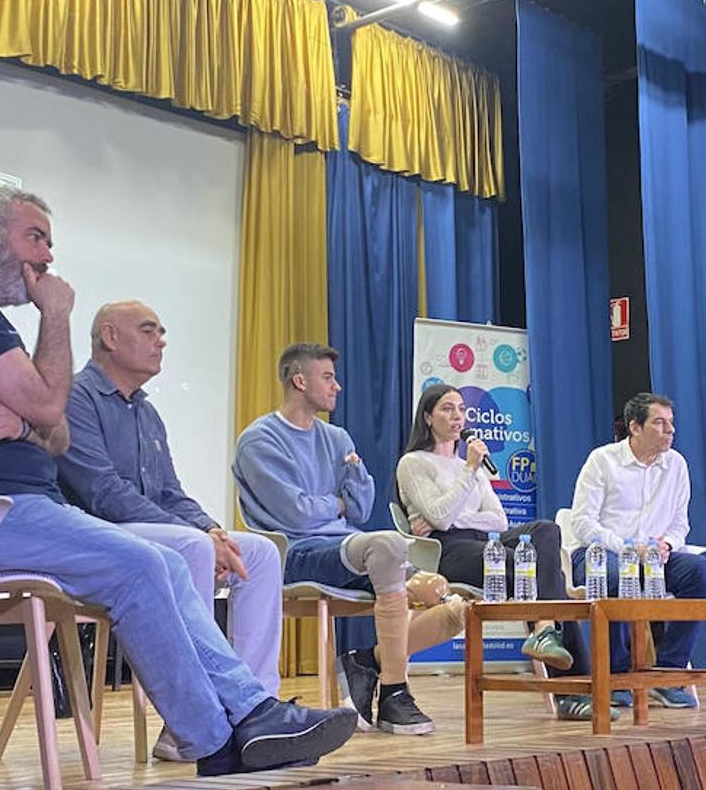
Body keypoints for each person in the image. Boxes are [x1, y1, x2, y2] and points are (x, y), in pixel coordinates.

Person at [0, 186, 355, 775]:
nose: (47, 258)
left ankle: (245, 717)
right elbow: (53, 408)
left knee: (164, 562)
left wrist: (23, 420)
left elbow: (53, 431)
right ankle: (220, 737)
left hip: (8, 509)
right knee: (146, 564)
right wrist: (56, 323)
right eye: (35, 238)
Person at [55, 300, 283, 761]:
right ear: (109, 337)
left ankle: (256, 710)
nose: (161, 340)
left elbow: (170, 492)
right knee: (190, 547)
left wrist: (214, 529)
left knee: (258, 552)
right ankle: (191, 721)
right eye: (148, 330)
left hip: (153, 531)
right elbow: (102, 493)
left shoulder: (146, 412)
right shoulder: (75, 398)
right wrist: (197, 536)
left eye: (161, 331)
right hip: (94, 538)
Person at [232, 344, 466, 736]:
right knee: (388, 544)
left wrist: (338, 503)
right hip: (295, 552)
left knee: (452, 603)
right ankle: (394, 690)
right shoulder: (260, 440)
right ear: (299, 380)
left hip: (345, 548)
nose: (337, 387)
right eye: (328, 377)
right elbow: (296, 515)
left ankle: (367, 662)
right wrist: (337, 502)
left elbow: (358, 509)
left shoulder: (337, 438)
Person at [395, 382, 577, 671]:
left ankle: (544, 627)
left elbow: (498, 519)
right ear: (428, 417)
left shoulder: (474, 465)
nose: (457, 416)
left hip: (485, 542)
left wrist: (454, 515)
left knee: (546, 531)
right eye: (447, 409)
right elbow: (442, 520)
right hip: (447, 549)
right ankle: (572, 690)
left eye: (461, 409)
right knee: (548, 576)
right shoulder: (414, 463)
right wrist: (467, 472)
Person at [566, 392, 706, 715]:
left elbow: (680, 524)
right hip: (600, 553)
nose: (670, 431)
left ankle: (669, 673)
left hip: (653, 558)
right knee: (615, 575)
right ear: (635, 427)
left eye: (671, 424)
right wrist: (625, 548)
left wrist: (667, 544)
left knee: (702, 573)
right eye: (659, 423)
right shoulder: (602, 460)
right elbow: (581, 522)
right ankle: (617, 676)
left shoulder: (676, 465)